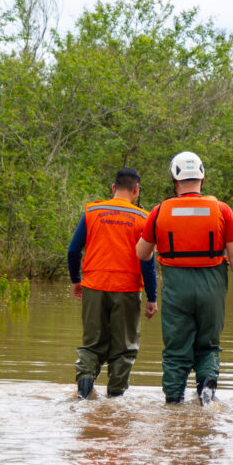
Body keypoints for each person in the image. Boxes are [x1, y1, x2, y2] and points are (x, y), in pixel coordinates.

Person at [135, 151, 233, 405]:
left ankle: (174, 402)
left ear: (175, 181)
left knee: (176, 349)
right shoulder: (222, 210)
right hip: (212, 287)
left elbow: (142, 253)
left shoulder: (159, 211)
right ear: (203, 178)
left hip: (177, 288)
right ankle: (207, 389)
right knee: (208, 345)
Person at [68, 168, 157, 399]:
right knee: (124, 348)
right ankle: (115, 401)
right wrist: (152, 297)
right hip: (126, 290)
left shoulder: (92, 211)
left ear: (113, 188)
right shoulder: (143, 218)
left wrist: (76, 280)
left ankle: (83, 395)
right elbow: (147, 262)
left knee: (91, 345)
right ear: (136, 190)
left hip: (94, 286)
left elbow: (73, 251)